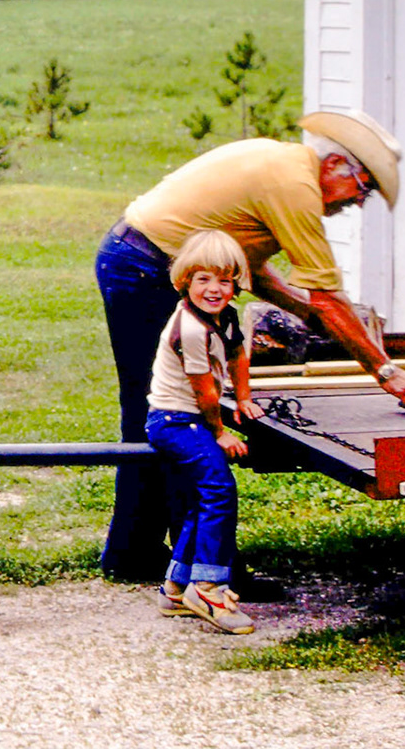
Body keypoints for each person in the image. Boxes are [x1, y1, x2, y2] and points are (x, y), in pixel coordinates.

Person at [96, 109, 405, 582]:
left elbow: (254, 271)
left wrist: (302, 310)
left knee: (155, 415)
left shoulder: (282, 165)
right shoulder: (296, 187)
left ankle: (134, 553)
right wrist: (386, 371)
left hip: (140, 259)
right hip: (147, 270)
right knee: (176, 414)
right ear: (336, 164)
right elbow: (328, 297)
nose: (358, 201)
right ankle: (206, 568)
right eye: (364, 186)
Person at [148, 230, 259, 634]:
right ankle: (208, 586)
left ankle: (176, 587)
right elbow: (204, 391)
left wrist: (244, 397)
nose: (214, 289)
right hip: (177, 420)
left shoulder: (224, 317)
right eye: (203, 279)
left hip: (194, 416)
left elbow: (238, 354)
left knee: (204, 496)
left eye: (224, 280)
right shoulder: (190, 329)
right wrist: (221, 433)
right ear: (185, 282)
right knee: (219, 491)